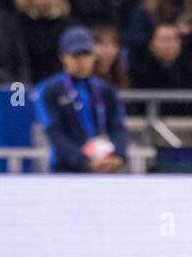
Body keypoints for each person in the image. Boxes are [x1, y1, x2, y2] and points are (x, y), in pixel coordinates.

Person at [31, 26, 129, 174]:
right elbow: (54, 132)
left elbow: (118, 127)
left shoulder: (106, 90)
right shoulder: (48, 90)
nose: (82, 61)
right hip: (65, 170)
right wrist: (84, 161)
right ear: (63, 56)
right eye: (76, 55)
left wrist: (118, 156)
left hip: (104, 166)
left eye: (86, 54)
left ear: (94, 55)